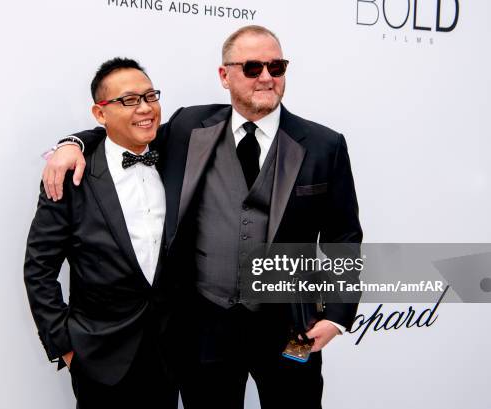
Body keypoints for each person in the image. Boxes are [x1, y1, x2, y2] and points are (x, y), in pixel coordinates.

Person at [42, 25, 362, 409]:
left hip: (291, 328)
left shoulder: (324, 145)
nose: (266, 77)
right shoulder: (189, 127)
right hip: (204, 329)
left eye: (276, 67)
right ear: (224, 75)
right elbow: (128, 132)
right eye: (253, 67)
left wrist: (338, 315)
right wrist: (73, 143)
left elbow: (343, 236)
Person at [24, 57, 178, 409]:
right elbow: (39, 268)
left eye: (150, 96)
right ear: (100, 113)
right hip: (100, 357)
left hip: (170, 353)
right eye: (128, 100)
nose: (145, 108)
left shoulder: (176, 155)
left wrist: (71, 140)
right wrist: (64, 344)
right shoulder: (70, 176)